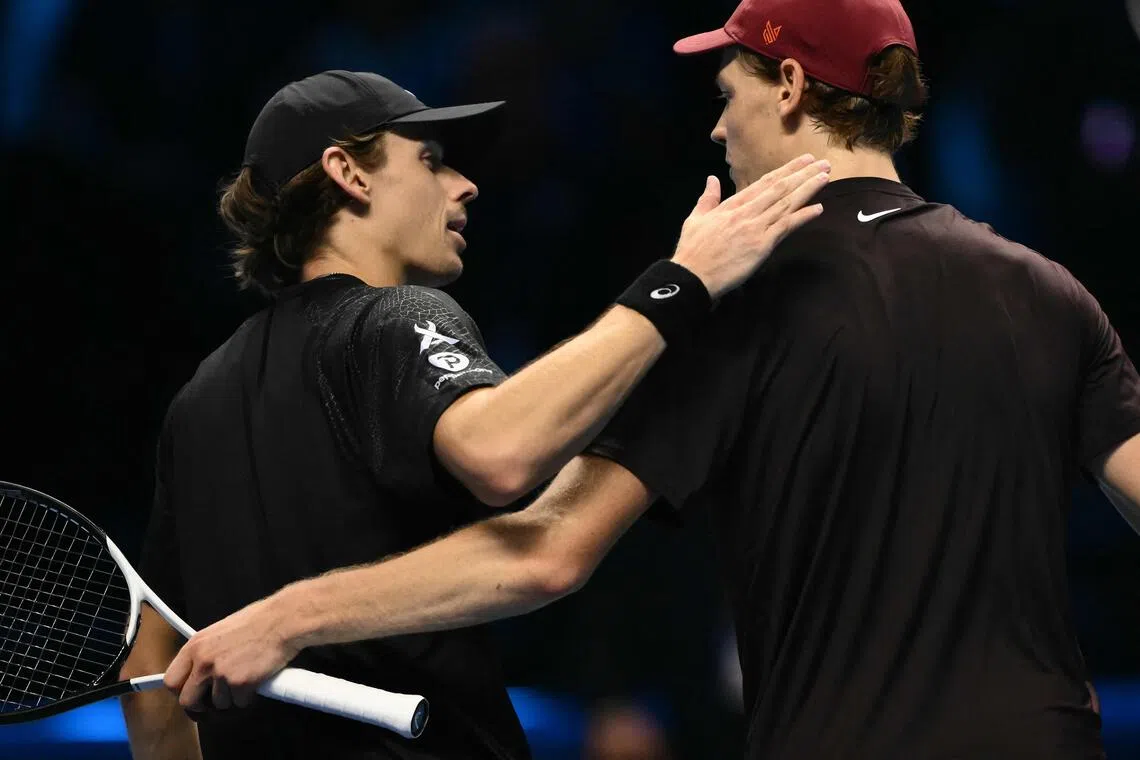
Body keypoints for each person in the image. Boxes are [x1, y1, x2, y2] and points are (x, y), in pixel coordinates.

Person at [165, 1, 1140, 757]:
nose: (716, 129)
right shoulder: (1049, 291)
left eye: (726, 95)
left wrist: (293, 614)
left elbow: (545, 549)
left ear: (792, 85)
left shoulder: (740, 304)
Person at [118, 68, 828, 760]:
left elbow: (147, 678)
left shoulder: (197, 399)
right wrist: (683, 281)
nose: (464, 185)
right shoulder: (393, 319)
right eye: (429, 161)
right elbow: (502, 454)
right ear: (349, 173)